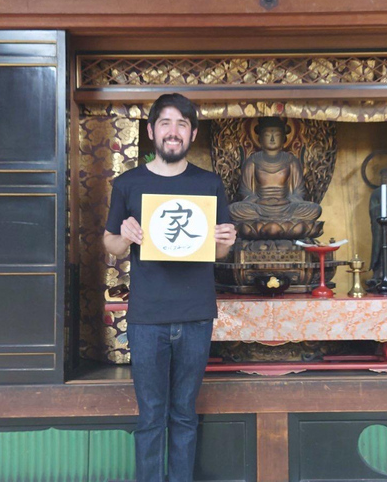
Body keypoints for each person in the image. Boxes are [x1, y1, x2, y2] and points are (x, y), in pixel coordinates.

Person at [104, 93, 236, 482]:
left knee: (183, 413)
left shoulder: (209, 183)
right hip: (147, 318)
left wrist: (226, 239)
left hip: (196, 316)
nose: (173, 132)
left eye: (182, 124)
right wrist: (125, 235)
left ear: (192, 133)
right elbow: (110, 244)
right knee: (150, 417)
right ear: (151, 131)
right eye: (165, 123)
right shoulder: (129, 184)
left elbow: (220, 251)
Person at [228, 116, 321, 222]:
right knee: (234, 209)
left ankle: (270, 224)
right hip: (259, 207)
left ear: (283, 138)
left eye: (277, 135)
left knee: (314, 209)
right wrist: (259, 201)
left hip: (286, 207)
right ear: (260, 138)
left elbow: (298, 192)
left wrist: (286, 201)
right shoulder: (253, 160)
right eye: (267, 135)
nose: (272, 139)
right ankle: (282, 225)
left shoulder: (291, 160)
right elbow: (246, 192)